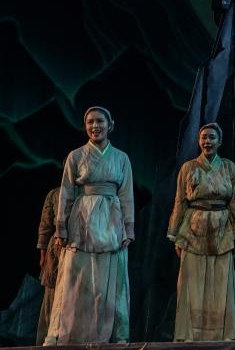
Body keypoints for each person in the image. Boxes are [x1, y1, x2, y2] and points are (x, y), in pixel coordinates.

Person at [45, 106, 133, 345]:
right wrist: (61, 227)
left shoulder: (121, 158)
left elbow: (126, 194)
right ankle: (59, 334)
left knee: (112, 279)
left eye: (100, 121)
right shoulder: (75, 156)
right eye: (90, 122)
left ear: (110, 125)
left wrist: (128, 228)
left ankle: (118, 336)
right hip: (82, 219)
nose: (95, 126)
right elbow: (66, 193)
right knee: (73, 277)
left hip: (111, 220)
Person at [167, 122, 235, 341]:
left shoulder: (229, 168)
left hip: (222, 228)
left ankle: (221, 334)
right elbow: (180, 201)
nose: (207, 141)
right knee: (191, 284)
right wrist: (175, 235)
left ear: (219, 141)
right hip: (193, 228)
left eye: (212, 137)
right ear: (198, 141)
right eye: (203, 137)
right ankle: (189, 334)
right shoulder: (188, 168)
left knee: (221, 283)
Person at [35, 187, 62, 345]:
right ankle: (47, 340)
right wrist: (43, 255)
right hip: (56, 252)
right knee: (51, 299)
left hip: (78, 250)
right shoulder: (55, 194)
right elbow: (45, 226)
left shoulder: (89, 193)